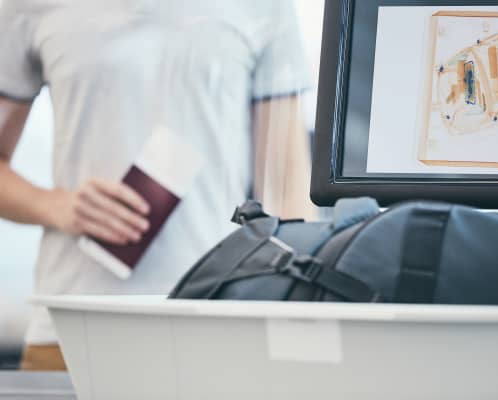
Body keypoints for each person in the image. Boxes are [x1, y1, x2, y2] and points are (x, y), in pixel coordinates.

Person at [0, 0, 314, 370]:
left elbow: (287, 190)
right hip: (72, 329)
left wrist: (298, 318)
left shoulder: (265, 7)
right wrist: (57, 206)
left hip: (215, 326)